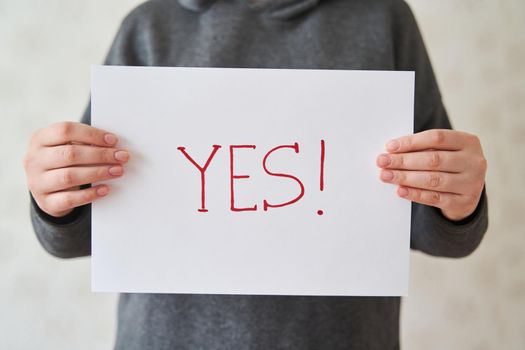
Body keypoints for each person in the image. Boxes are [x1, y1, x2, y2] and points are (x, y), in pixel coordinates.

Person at [23, 0, 488, 349]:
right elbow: (86, 235)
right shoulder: (149, 27)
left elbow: (436, 229)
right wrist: (54, 199)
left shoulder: (383, 19)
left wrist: (460, 202)